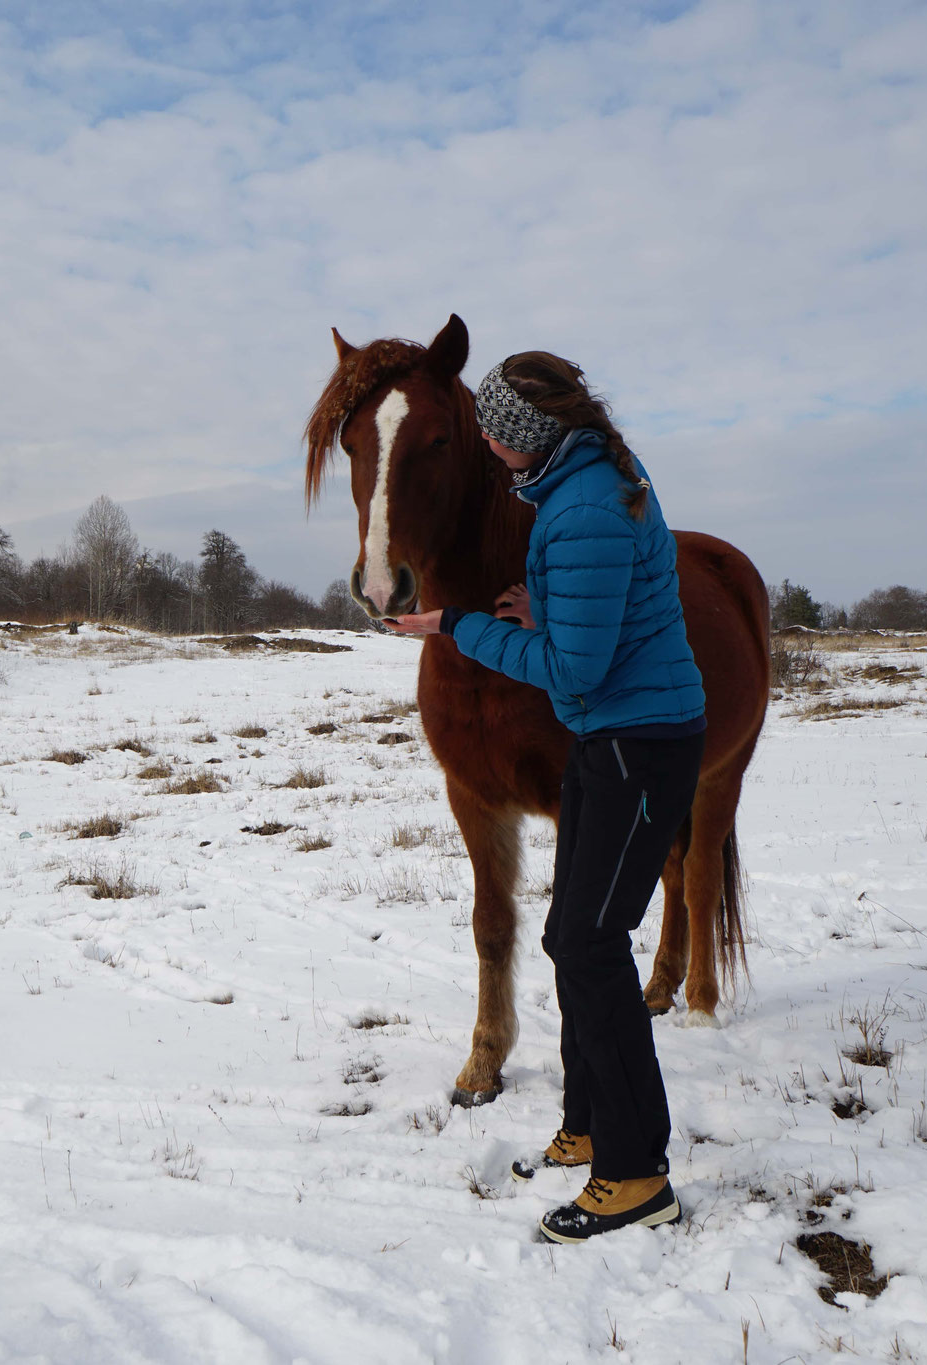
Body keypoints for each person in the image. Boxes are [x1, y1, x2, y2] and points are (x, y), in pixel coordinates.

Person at [386, 351, 705, 1243]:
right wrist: (547, 610)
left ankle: (636, 1170)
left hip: (635, 744)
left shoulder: (584, 510)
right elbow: (593, 626)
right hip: (620, 735)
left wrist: (464, 627)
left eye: (491, 430)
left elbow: (573, 677)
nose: (484, 444)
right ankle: (590, 1122)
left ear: (527, 439)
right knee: (579, 935)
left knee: (589, 943)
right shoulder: (578, 490)